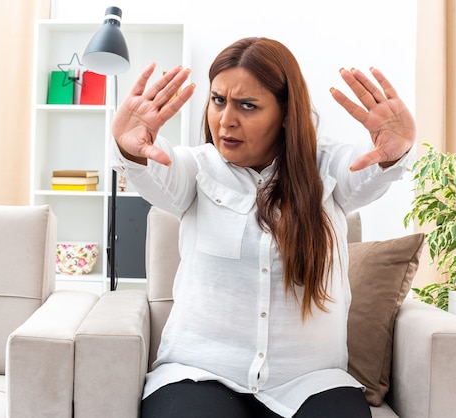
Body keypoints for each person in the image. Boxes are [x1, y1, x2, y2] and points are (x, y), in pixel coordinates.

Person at [111, 37, 416, 418]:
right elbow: (158, 173)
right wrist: (129, 150)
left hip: (310, 381)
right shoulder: (197, 169)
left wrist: (396, 151)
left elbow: (364, 172)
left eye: (248, 106)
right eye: (218, 100)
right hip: (201, 373)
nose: (226, 120)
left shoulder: (326, 168)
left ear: (287, 113)